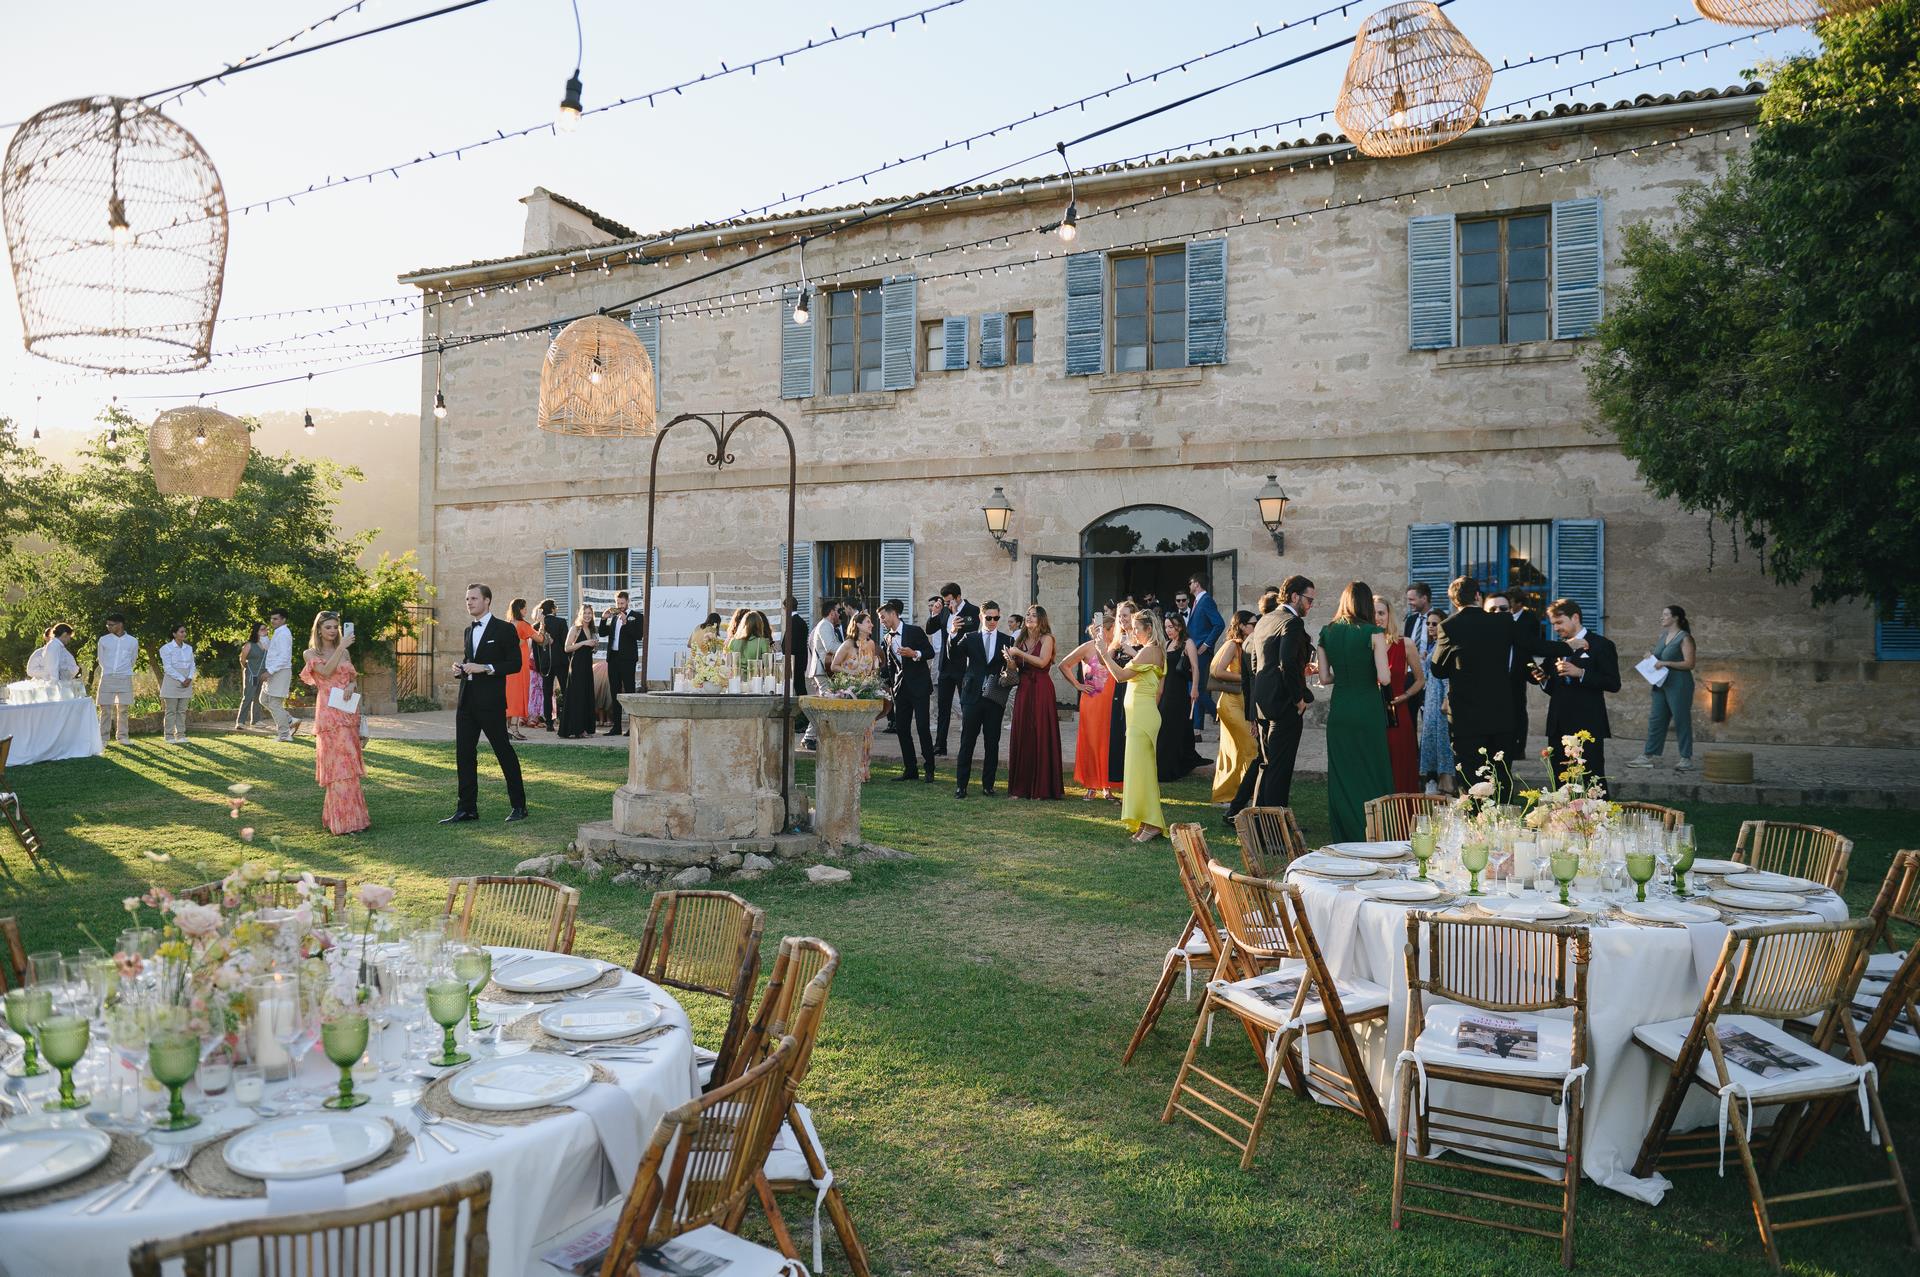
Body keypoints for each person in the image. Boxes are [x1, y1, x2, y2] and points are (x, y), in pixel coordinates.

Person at [1429, 577, 1566, 800]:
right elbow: (1534, 644)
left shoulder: (1448, 626)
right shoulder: (1504, 622)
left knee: (1471, 778)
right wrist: (1568, 646)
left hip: (1465, 717)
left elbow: (1437, 670)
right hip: (1500, 714)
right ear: (1477, 596)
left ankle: (1475, 823)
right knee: (1500, 775)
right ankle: (1500, 823)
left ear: (1455, 602)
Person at [441, 583, 528, 824]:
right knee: (464, 755)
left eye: (474, 598)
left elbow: (514, 664)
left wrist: (486, 668)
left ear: (487, 600)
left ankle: (519, 806)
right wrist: (461, 668)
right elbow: (471, 660)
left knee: (503, 752)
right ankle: (467, 809)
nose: (469, 602)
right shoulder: (469, 631)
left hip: (490, 704)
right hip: (466, 701)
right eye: (467, 599)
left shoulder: (504, 629)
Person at [1320, 583, 1394, 843]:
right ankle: (1375, 831)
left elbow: (1325, 677)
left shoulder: (1326, 632)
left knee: (1342, 774)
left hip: (1340, 709)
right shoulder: (1374, 633)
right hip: (1367, 710)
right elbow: (1385, 679)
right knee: (1372, 769)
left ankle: (1346, 834)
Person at [1244, 577, 1317, 813]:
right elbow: (1287, 664)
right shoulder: (1292, 623)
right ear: (1295, 597)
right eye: (1309, 600)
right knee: (1279, 768)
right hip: (1285, 705)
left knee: (1267, 765)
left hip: (1264, 703)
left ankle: (1260, 823)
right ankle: (1274, 828)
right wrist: (1299, 699)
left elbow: (1256, 665)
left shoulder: (1265, 619)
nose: (1311, 605)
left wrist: (1257, 701)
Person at [1095, 610, 1166, 843]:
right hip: (1138, 716)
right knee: (1138, 772)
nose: (1132, 631)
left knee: (1143, 773)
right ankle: (1145, 821)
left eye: (1136, 628)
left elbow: (1121, 676)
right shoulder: (1151, 651)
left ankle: (1153, 823)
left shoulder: (1150, 651)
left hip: (1143, 718)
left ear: (1148, 628)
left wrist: (1104, 654)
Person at [299, 612, 370, 835]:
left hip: (348, 711)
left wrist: (351, 686)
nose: (333, 631)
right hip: (329, 714)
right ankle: (341, 822)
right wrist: (341, 648)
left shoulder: (345, 651)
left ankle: (355, 820)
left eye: (335, 627)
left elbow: (352, 678)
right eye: (328, 627)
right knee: (336, 766)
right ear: (319, 629)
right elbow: (326, 671)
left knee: (349, 764)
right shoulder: (310, 653)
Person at [1539, 598, 1621, 787]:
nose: (1556, 628)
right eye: (1553, 624)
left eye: (1559, 622)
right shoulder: (1558, 648)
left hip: (1588, 723)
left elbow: (1613, 683)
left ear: (1575, 617)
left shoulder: (1601, 645)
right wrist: (1542, 679)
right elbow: (1554, 687)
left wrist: (1581, 673)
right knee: (1560, 781)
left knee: (1592, 780)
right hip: (1558, 723)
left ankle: (1597, 816)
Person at [1225, 588, 1282, 822]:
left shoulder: (1253, 639)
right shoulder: (1259, 639)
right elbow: (1251, 681)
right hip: (1264, 709)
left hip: (1256, 709)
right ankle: (1245, 811)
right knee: (1264, 761)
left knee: (1261, 760)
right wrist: (1252, 717)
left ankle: (1238, 809)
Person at [950, 601, 1011, 798]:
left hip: (994, 697)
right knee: (967, 742)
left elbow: (1012, 668)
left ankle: (988, 785)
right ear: (981, 617)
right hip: (972, 697)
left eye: (996, 618)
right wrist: (952, 633)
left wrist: (1011, 663)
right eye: (989, 618)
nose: (993, 621)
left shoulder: (1007, 640)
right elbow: (954, 656)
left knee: (992, 743)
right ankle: (961, 786)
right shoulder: (970, 637)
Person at [1629, 604, 1697, 772]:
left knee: (1681, 719)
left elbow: (1690, 663)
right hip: (1661, 683)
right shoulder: (1663, 635)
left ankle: (1686, 758)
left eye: (1665, 614)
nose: (1662, 617)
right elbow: (1659, 659)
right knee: (1656, 719)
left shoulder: (1685, 638)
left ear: (1676, 618)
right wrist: (1650, 657)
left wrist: (1665, 662)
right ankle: (1647, 755)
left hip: (1679, 683)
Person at [1005, 604, 1063, 800]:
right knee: (1023, 733)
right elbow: (1014, 668)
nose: (1029, 618)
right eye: (1027, 615)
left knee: (1040, 733)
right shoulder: (1020, 639)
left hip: (1041, 689)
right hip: (1024, 689)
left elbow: (1042, 662)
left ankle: (1042, 788)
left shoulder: (1048, 638)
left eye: (1033, 615)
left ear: (1041, 619)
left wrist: (1019, 653)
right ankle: (1020, 788)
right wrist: (1009, 660)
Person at [879, 600, 936, 783]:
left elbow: (930, 652)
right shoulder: (887, 638)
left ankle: (929, 769)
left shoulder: (914, 631)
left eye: (883, 617)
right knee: (902, 729)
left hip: (919, 688)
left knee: (922, 728)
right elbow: (890, 665)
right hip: (900, 690)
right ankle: (910, 769)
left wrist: (915, 654)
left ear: (893, 613)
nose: (882, 621)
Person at [1375, 596, 1426, 793]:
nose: (1377, 617)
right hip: (1371, 711)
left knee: (1400, 763)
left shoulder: (1405, 644)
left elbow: (1420, 680)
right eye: (1373, 613)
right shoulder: (1365, 645)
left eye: (1381, 613)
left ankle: (1403, 815)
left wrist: (1405, 696)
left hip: (1397, 711)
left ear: (1389, 615)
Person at [1062, 615, 1115, 800]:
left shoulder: (1117, 647)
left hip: (1112, 702)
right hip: (1092, 702)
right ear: (1106, 629)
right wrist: (1078, 685)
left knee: (1109, 742)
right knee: (1092, 742)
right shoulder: (1088, 647)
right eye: (1114, 628)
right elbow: (1064, 665)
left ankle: (1107, 785)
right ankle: (1092, 784)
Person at [1209, 610, 1257, 804]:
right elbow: (1218, 672)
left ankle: (1232, 793)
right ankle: (1249, 792)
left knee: (1235, 750)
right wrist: (1245, 678)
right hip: (1230, 703)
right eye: (1253, 624)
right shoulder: (1232, 645)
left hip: (1243, 702)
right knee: (1250, 745)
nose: (1256, 627)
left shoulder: (1249, 645)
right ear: (1243, 626)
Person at [831, 610, 883, 781]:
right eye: (868, 622)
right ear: (858, 624)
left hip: (866, 693)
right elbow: (834, 666)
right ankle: (850, 769)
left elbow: (873, 669)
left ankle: (864, 771)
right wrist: (850, 672)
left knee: (867, 734)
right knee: (852, 734)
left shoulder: (871, 644)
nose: (872, 625)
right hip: (850, 693)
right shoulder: (847, 645)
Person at [1156, 612, 1208, 780]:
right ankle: (1163, 766)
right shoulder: (1167, 644)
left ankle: (1171, 767)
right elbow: (1163, 672)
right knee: (1164, 726)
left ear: (1179, 626)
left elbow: (1195, 667)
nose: (1168, 630)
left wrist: (1194, 688)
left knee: (1174, 727)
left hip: (1179, 692)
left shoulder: (1188, 643)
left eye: (1171, 627)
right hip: (1166, 690)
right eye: (1166, 627)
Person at [936, 582, 979, 756]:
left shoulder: (973, 611)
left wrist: (954, 614)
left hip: (964, 666)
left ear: (958, 597)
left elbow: (969, 631)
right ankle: (940, 746)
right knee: (943, 708)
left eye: (949, 601)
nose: (947, 604)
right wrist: (935, 614)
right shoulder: (944, 610)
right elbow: (932, 628)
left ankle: (965, 747)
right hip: (946, 666)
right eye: (946, 602)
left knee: (966, 707)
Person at [1104, 600, 1139, 798]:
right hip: (1118, 691)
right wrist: (1105, 646)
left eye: (1125, 615)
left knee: (1132, 739)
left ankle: (1134, 785)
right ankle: (1122, 785)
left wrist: (1131, 650)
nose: (1122, 619)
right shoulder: (1117, 641)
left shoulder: (1143, 640)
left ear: (1134, 616)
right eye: (1119, 616)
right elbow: (1105, 662)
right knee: (1118, 737)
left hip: (1136, 690)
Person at [801, 603, 847, 749]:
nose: (840, 613)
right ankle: (809, 737)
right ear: (831, 611)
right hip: (822, 669)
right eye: (838, 610)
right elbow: (831, 646)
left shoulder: (824, 625)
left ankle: (810, 736)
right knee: (825, 705)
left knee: (824, 704)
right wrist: (848, 649)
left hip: (823, 669)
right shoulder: (825, 625)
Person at [1419, 610, 1455, 795]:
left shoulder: (1446, 645)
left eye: (1435, 623)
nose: (1431, 627)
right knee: (1431, 741)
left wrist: (1447, 699)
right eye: (1429, 624)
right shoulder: (1434, 646)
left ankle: (1446, 781)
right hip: (1431, 699)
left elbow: (1448, 676)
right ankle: (1434, 780)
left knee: (1443, 741)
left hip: (1441, 698)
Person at [1186, 574, 1226, 737]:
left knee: (1198, 690)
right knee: (1196, 689)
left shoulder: (1206, 600)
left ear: (1196, 583)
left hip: (1201, 652)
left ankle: (1223, 719)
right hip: (1194, 651)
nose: (1189, 586)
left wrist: (1206, 644)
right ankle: (1197, 729)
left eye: (1190, 583)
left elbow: (1219, 624)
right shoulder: (1197, 602)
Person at [599, 591, 642, 736]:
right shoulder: (613, 616)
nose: (620, 606)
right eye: (618, 603)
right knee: (614, 692)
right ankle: (616, 727)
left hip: (628, 659)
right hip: (613, 658)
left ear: (628, 601)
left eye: (622, 603)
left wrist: (626, 622)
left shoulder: (636, 616)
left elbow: (638, 635)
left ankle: (632, 727)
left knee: (629, 691)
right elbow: (603, 633)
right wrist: (604, 619)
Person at [95, 612, 139, 746]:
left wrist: (122, 671)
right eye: (107, 624)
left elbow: (133, 659)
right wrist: (109, 670)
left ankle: (122, 737)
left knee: (123, 709)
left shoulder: (132, 641)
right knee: (105, 708)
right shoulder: (103, 640)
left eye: (111, 624)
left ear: (120, 625)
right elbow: (101, 659)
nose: (108, 627)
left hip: (125, 677)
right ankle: (103, 738)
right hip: (107, 676)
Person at [557, 603, 600, 739]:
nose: (587, 616)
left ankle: (585, 728)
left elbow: (591, 648)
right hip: (576, 667)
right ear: (580, 614)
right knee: (577, 697)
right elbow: (567, 648)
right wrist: (584, 643)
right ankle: (577, 729)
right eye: (585, 613)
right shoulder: (575, 629)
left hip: (587, 666)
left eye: (589, 613)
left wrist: (594, 646)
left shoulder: (592, 630)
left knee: (587, 695)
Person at [260, 608, 297, 742]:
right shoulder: (278, 632)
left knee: (274, 704)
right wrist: (264, 636)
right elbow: (271, 650)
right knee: (263, 700)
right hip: (274, 670)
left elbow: (284, 657)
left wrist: (270, 671)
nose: (272, 621)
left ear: (283, 620)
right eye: (272, 618)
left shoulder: (284, 634)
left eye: (275, 619)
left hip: (280, 671)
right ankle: (290, 719)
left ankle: (284, 734)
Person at [157, 624, 197, 743]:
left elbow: (192, 665)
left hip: (187, 681)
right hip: (172, 681)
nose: (184, 634)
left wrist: (189, 678)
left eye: (185, 632)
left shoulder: (189, 648)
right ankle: (169, 736)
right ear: (174, 634)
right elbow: (168, 668)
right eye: (181, 632)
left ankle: (181, 735)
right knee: (171, 711)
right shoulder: (166, 648)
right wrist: (181, 678)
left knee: (182, 711)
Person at [536, 599, 566, 733]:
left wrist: (539, 665)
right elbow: (566, 644)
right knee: (565, 691)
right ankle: (565, 719)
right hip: (560, 662)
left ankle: (549, 723)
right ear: (553, 609)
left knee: (547, 693)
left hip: (545, 663)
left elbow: (535, 651)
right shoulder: (561, 622)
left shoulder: (537, 625)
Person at [506, 598, 535, 742]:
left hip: (508, 666)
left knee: (509, 697)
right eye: (524, 608)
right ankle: (514, 729)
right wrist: (541, 624)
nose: (526, 611)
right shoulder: (523, 625)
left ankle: (507, 728)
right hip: (520, 666)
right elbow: (539, 638)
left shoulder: (507, 625)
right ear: (519, 609)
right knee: (518, 696)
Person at [235, 622, 268, 729]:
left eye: (266, 629)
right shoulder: (249, 644)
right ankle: (240, 722)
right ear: (256, 631)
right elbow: (242, 659)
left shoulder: (267, 644)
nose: (266, 631)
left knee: (257, 697)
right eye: (263, 629)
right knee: (248, 696)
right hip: (252, 675)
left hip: (262, 675)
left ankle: (256, 721)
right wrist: (249, 669)